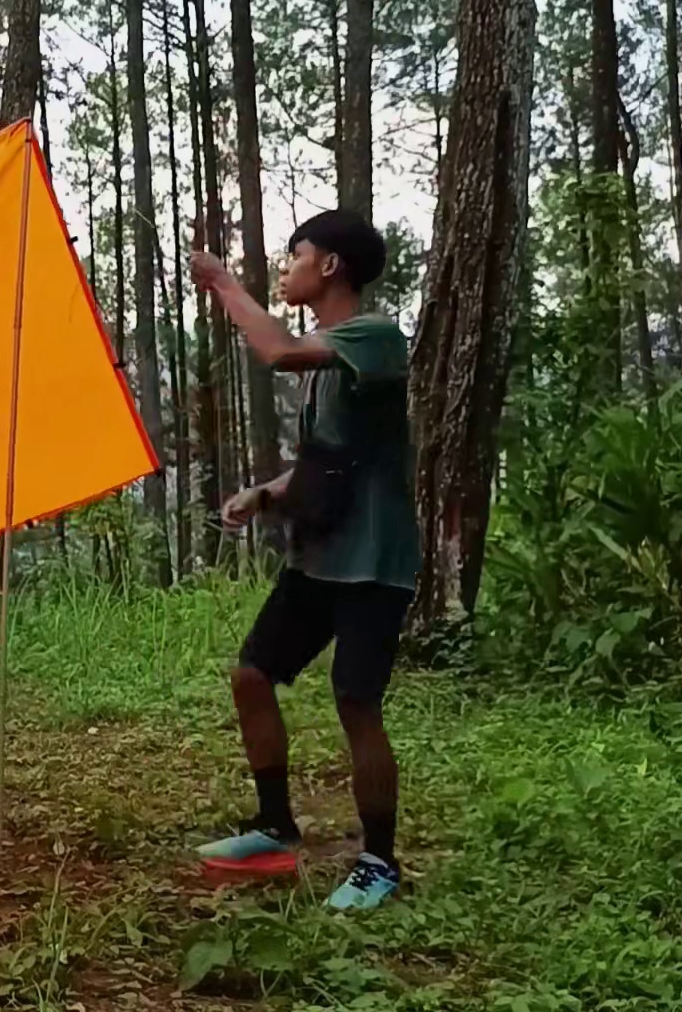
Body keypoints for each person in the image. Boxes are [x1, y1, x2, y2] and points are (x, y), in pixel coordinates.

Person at [186, 210, 421, 910]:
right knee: (251, 674)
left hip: (375, 564)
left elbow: (278, 351)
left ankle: (378, 861)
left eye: (294, 255)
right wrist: (261, 494)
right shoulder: (328, 361)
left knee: (356, 701)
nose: (284, 268)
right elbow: (322, 463)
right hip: (319, 560)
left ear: (329, 268)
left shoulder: (375, 337)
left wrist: (224, 284)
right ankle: (274, 828)